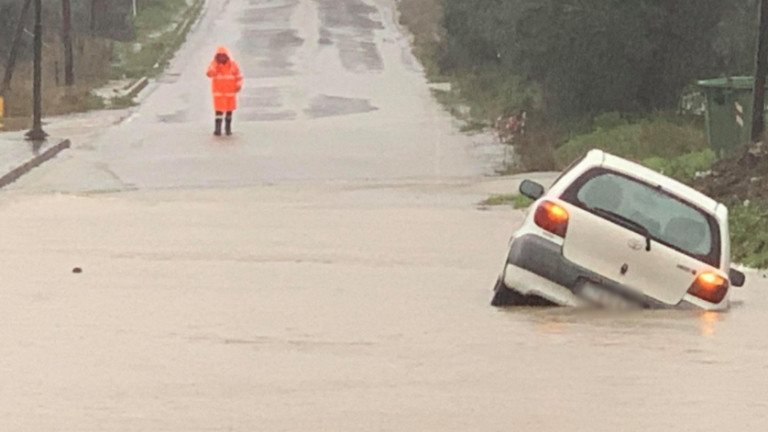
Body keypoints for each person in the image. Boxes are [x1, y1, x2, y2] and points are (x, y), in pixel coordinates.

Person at [206, 46, 243, 136]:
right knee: (218, 112)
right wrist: (215, 65)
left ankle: (228, 129)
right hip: (219, 94)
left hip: (230, 93)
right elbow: (209, 73)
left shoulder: (232, 65)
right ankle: (217, 129)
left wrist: (238, 85)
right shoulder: (214, 64)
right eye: (220, 56)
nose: (221, 58)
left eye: (223, 56)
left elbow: (238, 75)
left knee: (229, 112)